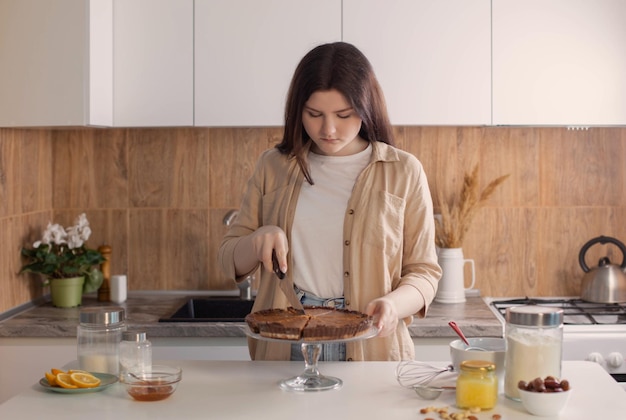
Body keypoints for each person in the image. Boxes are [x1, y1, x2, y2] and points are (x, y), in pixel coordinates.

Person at [218, 42, 441, 362]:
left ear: (366, 107)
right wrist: (255, 242)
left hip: (371, 342)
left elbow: (424, 273)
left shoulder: (403, 171)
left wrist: (394, 304)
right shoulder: (273, 166)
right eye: (314, 114)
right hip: (286, 341)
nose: (328, 129)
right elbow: (228, 257)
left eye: (343, 114)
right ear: (298, 110)